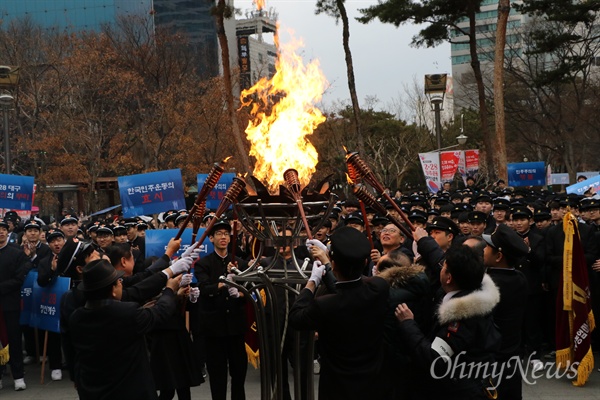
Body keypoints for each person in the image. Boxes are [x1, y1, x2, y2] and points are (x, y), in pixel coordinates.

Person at [289, 226, 391, 400]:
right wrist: (329, 262)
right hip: (373, 384)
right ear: (365, 263)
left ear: (334, 264)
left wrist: (312, 282)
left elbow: (296, 317)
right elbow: (351, 288)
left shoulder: (325, 304)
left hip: (337, 387)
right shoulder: (379, 288)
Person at [395, 245, 501, 400]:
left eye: (443, 267)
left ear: (449, 277)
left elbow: (435, 359)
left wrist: (407, 324)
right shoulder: (470, 292)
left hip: (459, 391)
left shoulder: (462, 316)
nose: (440, 269)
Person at [66, 259, 182, 399]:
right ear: (112, 291)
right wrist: (170, 290)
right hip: (130, 390)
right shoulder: (127, 313)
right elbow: (160, 312)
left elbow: (71, 352)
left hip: (92, 390)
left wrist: (75, 378)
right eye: (118, 281)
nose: (121, 283)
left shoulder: (76, 317)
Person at [193, 219, 248, 400]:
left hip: (236, 328)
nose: (223, 237)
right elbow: (204, 288)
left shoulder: (240, 262)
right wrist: (225, 281)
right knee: (217, 376)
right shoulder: (204, 264)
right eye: (218, 234)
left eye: (226, 234)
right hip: (213, 328)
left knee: (239, 374)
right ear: (211, 238)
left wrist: (239, 291)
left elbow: (249, 291)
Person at [375, 248, 431, 400]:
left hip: (391, 365)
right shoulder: (421, 284)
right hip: (413, 362)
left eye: (377, 267)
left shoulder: (388, 297)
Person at [0, 217, 32, 391]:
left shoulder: (16, 253)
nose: (0, 232)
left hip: (10, 303)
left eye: (3, 229)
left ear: (7, 231)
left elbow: (19, 279)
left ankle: (18, 376)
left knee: (14, 340)